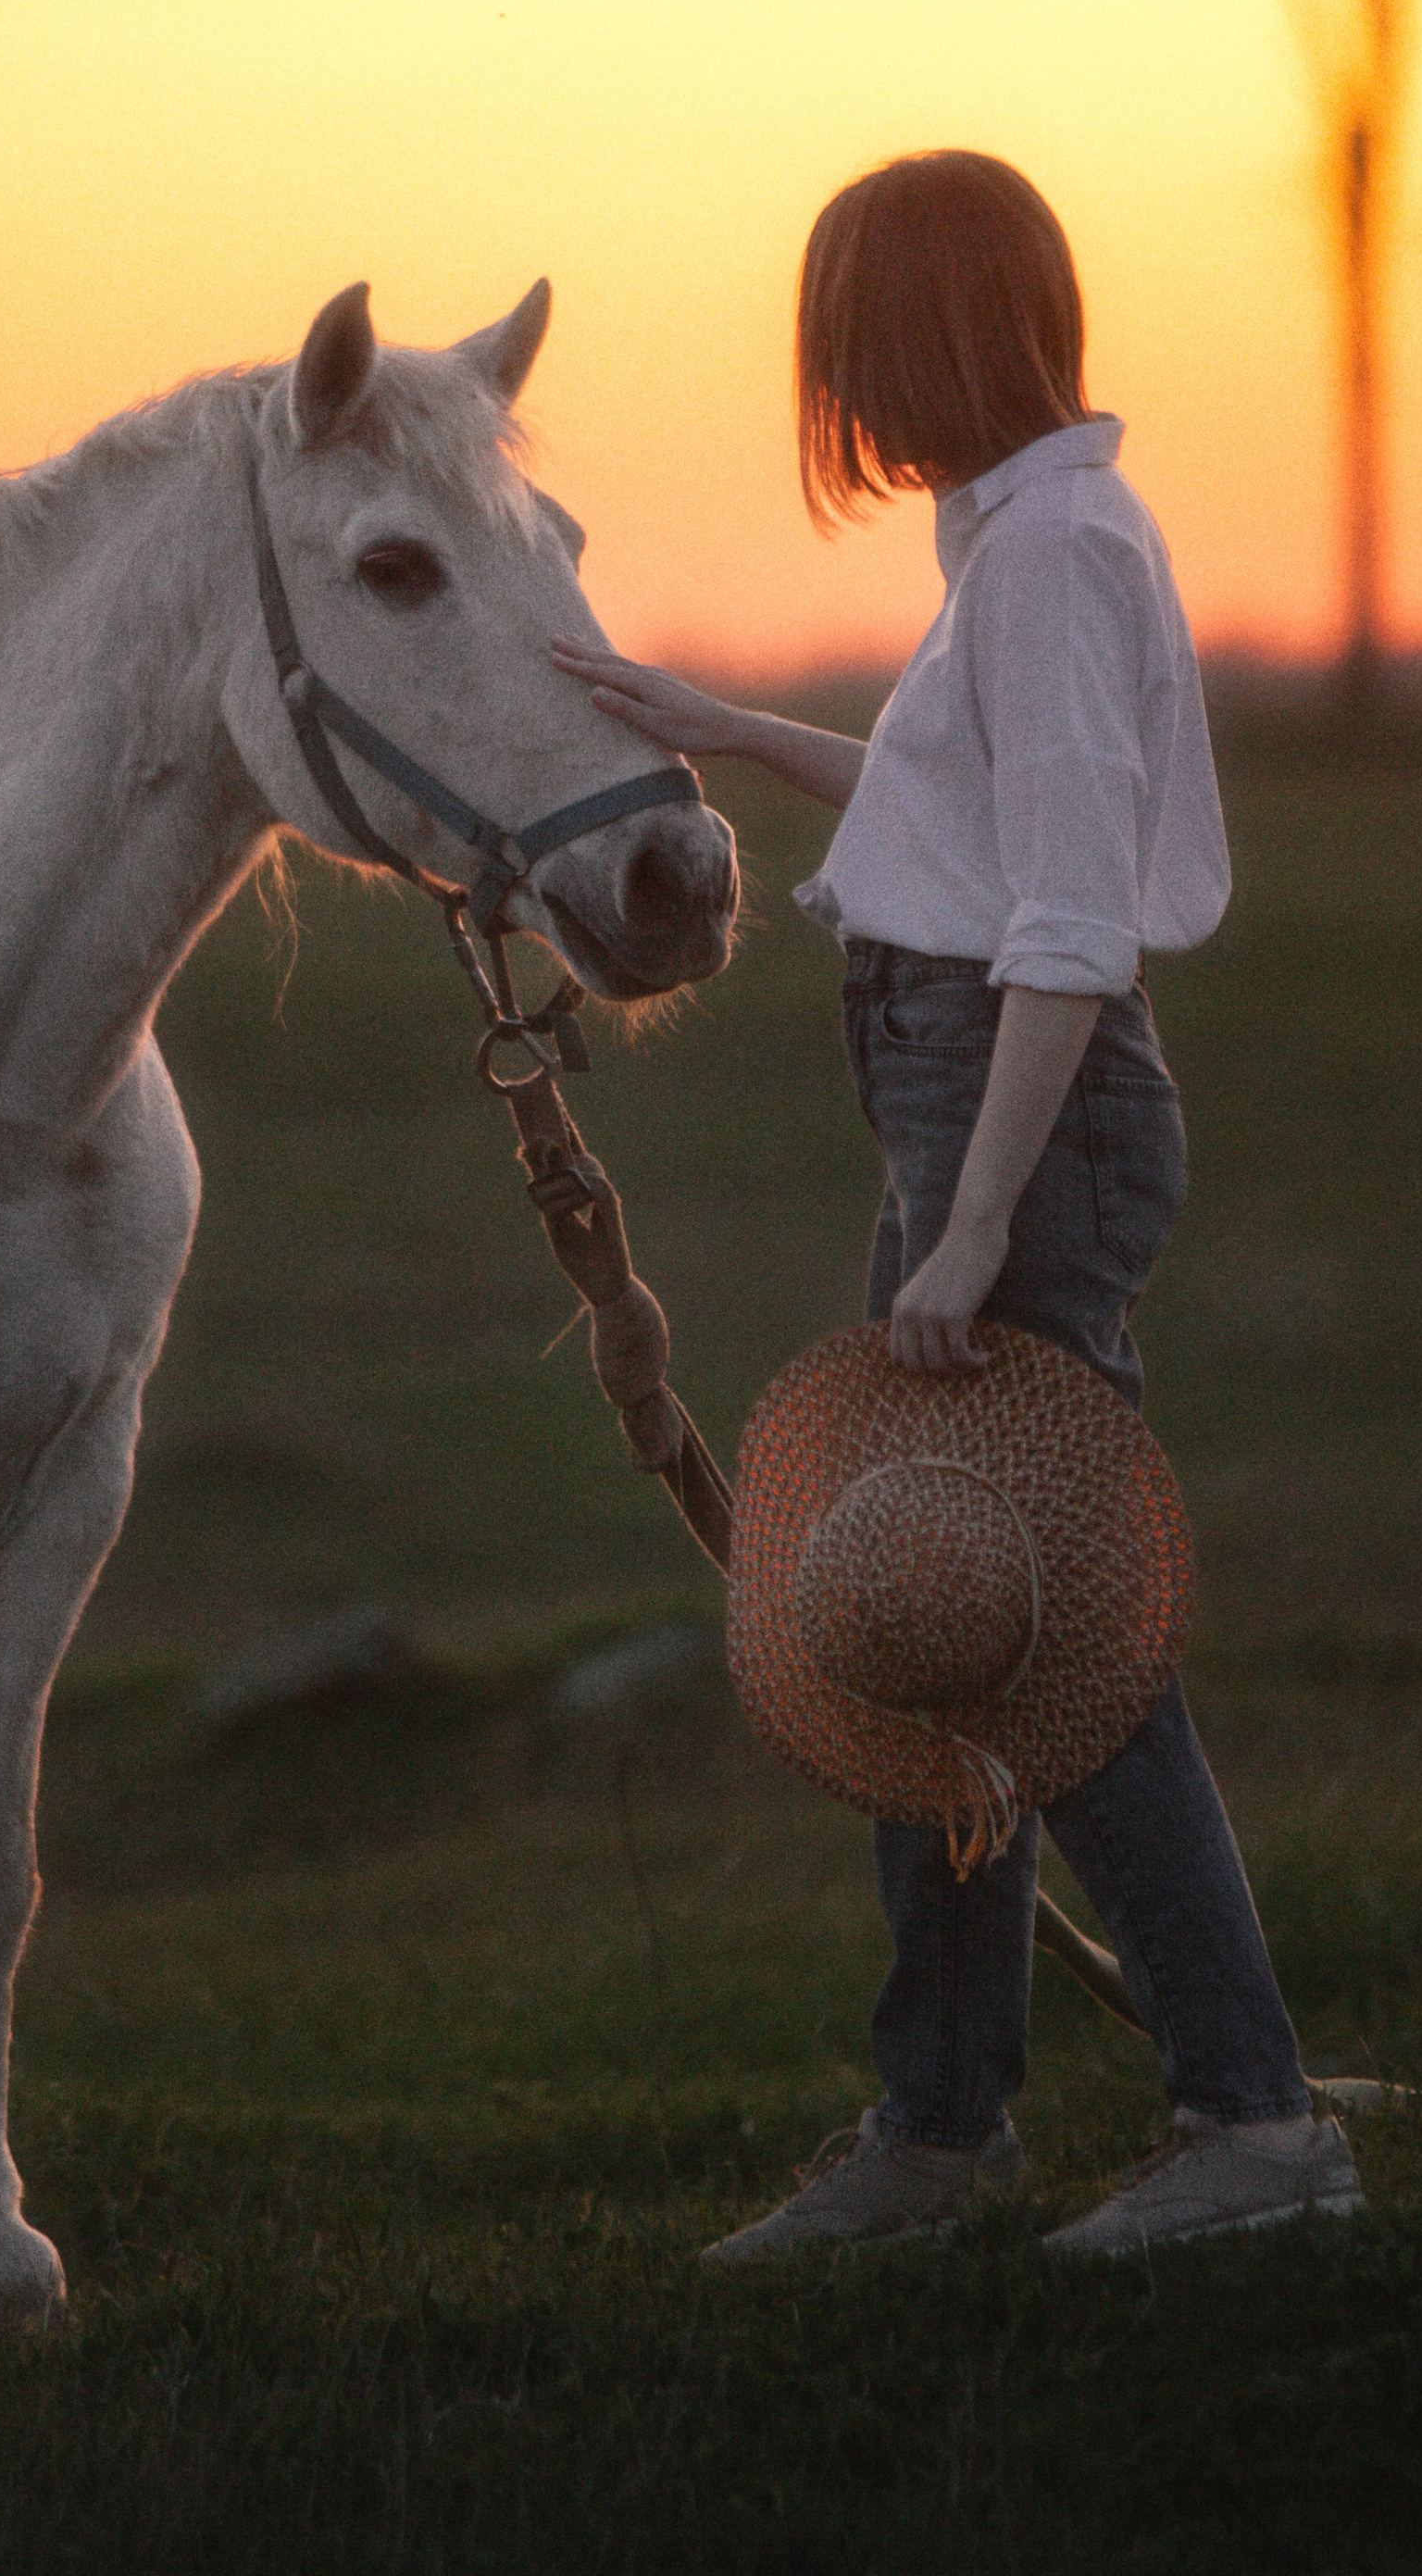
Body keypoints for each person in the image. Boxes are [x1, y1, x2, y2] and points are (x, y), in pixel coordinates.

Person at [553, 148, 1361, 2258]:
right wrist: (710, 726)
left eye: (846, 354)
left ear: (916, 341)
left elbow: (1068, 921)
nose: (837, 403)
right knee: (920, 1607)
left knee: (1041, 1618)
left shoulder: (1051, 555)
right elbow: (957, 807)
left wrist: (981, 1223)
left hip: (1024, 1110)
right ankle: (939, 2129)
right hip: (967, 1105)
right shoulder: (1017, 542)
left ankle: (1248, 2126)